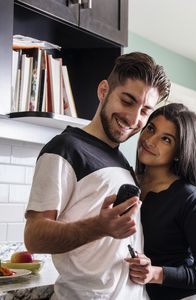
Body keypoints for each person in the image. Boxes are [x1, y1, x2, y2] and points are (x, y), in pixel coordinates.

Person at [24, 52, 171, 300]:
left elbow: (109, 249)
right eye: (127, 101)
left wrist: (139, 260)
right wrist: (99, 227)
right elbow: (34, 236)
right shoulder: (65, 149)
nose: (134, 119)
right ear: (104, 91)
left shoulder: (122, 161)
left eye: (145, 110)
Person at [127, 103, 196, 300]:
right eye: (151, 128)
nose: (150, 140)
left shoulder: (189, 198)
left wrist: (155, 273)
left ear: (179, 152)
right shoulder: (128, 181)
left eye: (166, 139)